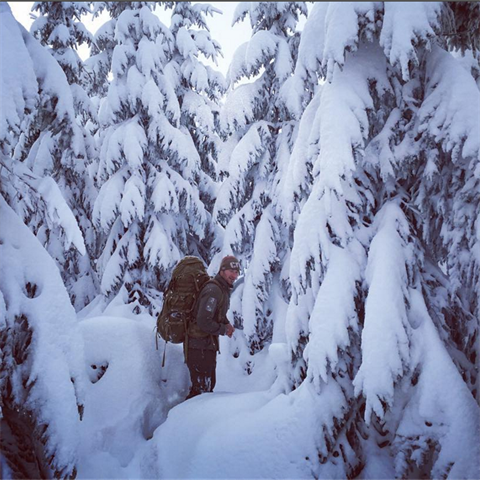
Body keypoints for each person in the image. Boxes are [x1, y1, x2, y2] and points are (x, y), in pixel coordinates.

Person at [185, 255, 239, 399]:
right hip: (199, 347)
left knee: (205, 389)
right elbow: (203, 321)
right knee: (201, 392)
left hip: (205, 345)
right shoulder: (214, 290)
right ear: (222, 270)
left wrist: (226, 322)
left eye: (236, 272)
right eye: (231, 271)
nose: (234, 275)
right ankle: (186, 419)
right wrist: (223, 329)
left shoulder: (221, 289)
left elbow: (215, 312)